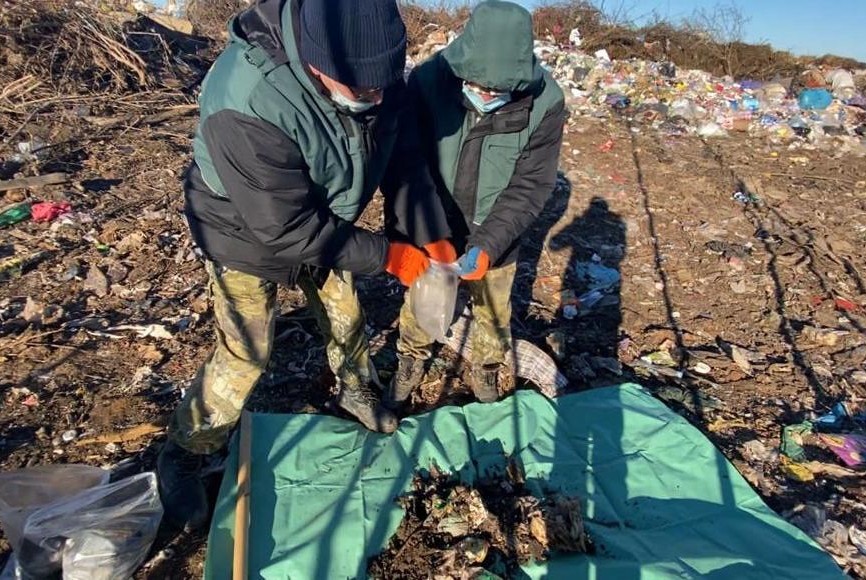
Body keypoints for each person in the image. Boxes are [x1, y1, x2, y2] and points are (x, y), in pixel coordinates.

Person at [159, 0, 454, 530]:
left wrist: (429, 233)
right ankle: (187, 449)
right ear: (318, 65)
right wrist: (389, 255)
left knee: (347, 317)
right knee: (246, 353)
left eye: (384, 86)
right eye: (364, 93)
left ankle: (356, 387)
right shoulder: (245, 99)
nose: (378, 99)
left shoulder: (374, 70)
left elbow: (404, 157)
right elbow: (287, 230)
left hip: (327, 217)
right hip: (242, 233)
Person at [386, 0, 566, 408]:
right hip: (434, 219)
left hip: (496, 224)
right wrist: (428, 235)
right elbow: (408, 165)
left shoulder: (546, 102)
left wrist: (489, 243)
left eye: (498, 91)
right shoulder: (429, 81)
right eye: (478, 85)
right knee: (421, 300)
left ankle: (485, 369)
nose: (486, 95)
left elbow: (531, 185)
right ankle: (410, 361)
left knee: (494, 308)